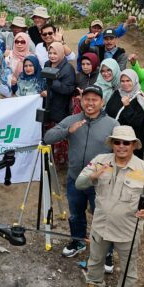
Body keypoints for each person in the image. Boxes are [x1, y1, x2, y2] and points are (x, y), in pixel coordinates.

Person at [73, 125, 144, 287]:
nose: (121, 146)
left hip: (128, 230)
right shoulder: (100, 161)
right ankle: (94, 286)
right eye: (117, 142)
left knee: (128, 267)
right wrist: (93, 176)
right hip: (101, 225)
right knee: (95, 260)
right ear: (112, 143)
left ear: (133, 145)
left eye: (126, 143)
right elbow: (79, 184)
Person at [44, 85, 119, 261]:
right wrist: (67, 131)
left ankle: (105, 252)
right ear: (81, 101)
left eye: (94, 99)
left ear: (102, 102)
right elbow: (48, 137)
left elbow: (122, 151)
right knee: (76, 213)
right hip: (75, 178)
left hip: (100, 182)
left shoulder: (112, 124)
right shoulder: (72, 120)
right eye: (87, 99)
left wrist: (108, 169)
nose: (90, 103)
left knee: (102, 217)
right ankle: (78, 241)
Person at [42, 41, 77, 167]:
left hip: (60, 106)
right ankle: (47, 159)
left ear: (61, 54)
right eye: (50, 53)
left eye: (55, 53)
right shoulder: (47, 64)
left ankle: (59, 162)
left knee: (58, 135)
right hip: (47, 104)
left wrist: (53, 82)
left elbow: (68, 89)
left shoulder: (68, 69)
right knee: (47, 133)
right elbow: (44, 80)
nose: (52, 56)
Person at [105, 70, 144, 159]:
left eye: (128, 81)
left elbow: (137, 123)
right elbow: (108, 110)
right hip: (115, 138)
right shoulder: (117, 94)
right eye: (123, 81)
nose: (125, 84)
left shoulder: (140, 99)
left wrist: (127, 106)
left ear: (134, 80)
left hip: (130, 142)